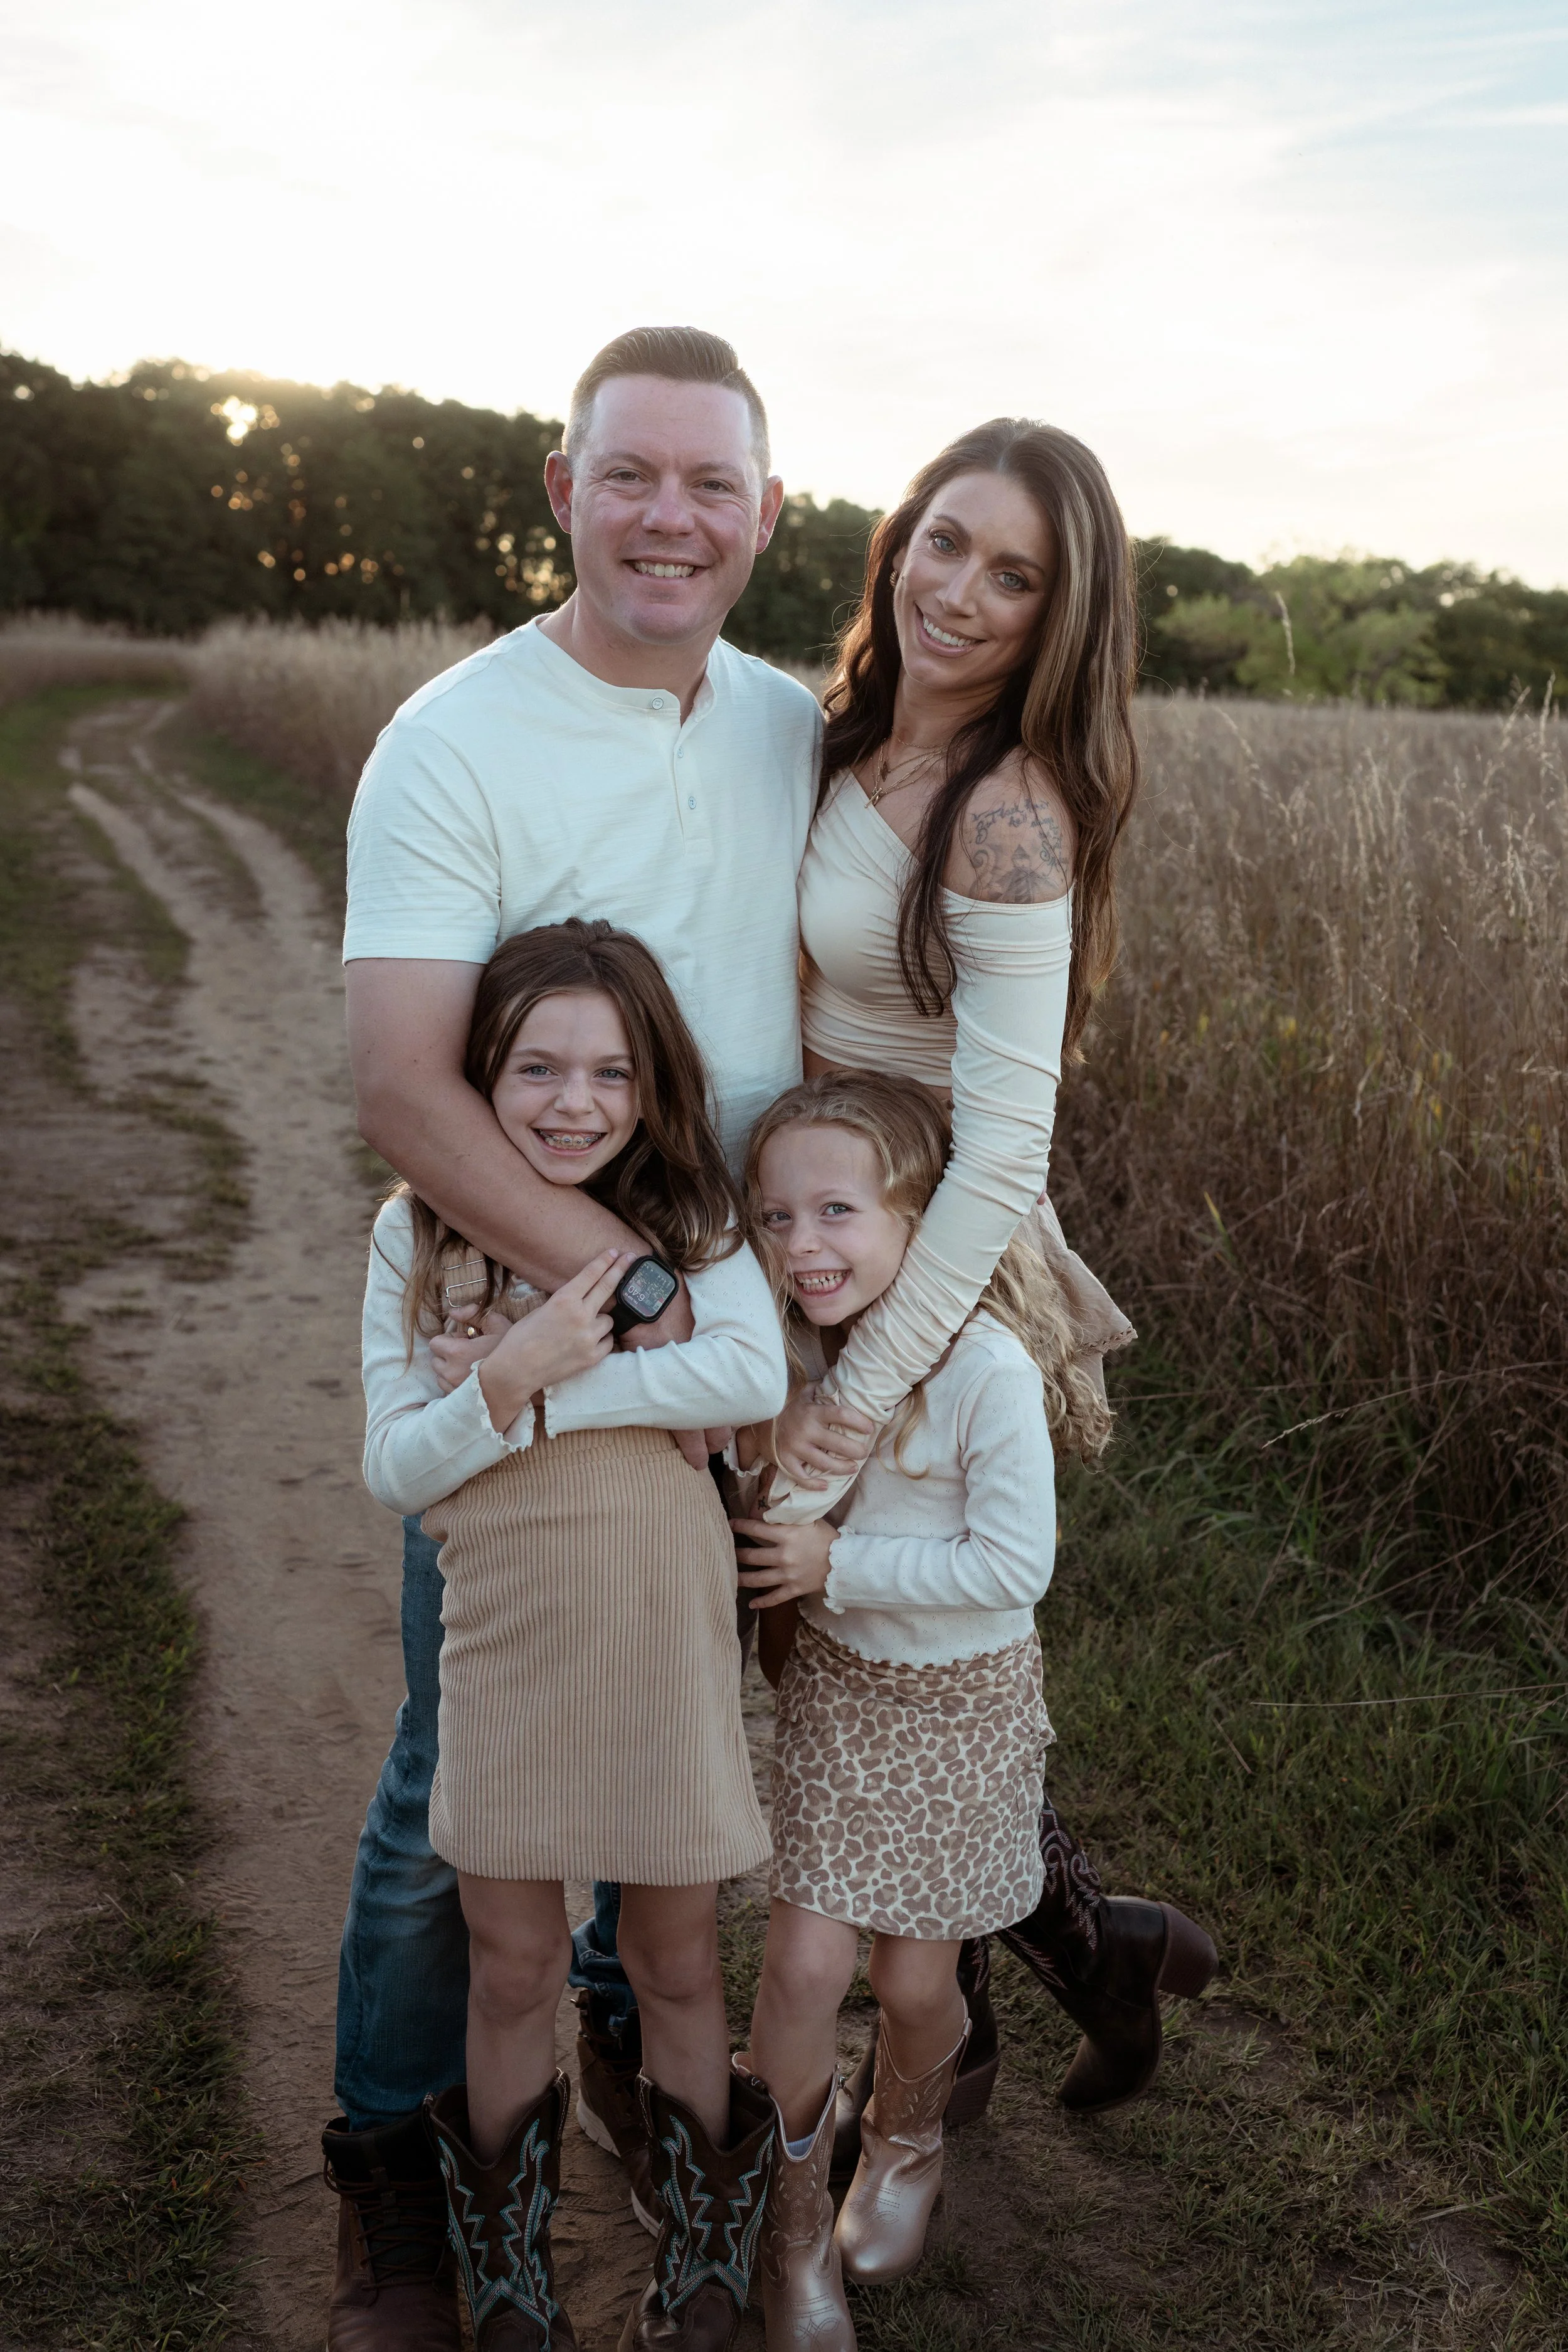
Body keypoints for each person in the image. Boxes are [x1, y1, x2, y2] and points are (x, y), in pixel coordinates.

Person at [324, 326, 818, 2352]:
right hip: (524, 1314)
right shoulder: (453, 740)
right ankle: (393, 2178)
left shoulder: (793, 726)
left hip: (735, 1309)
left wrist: (780, 1299)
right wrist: (619, 1299)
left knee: (685, 1769)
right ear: (562, 485)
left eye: (713, 485)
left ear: (768, 518)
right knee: (468, 1774)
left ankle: (648, 2095)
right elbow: (404, 1087)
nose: (670, 518)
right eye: (635, 475)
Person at [751, 418, 1216, 2175]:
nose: (958, 591)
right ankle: (1085, 1956)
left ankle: (973, 2021)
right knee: (852, 1659)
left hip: (926, 1267)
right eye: (943, 541)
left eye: (1011, 574)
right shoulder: (843, 736)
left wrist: (861, 1388)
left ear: (1056, 614)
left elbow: (1005, 1150)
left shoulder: (1010, 815)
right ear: (896, 539)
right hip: (824, 1226)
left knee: (888, 1652)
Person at [359, 919, 786, 2351]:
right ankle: (507, 2276)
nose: (571, 1102)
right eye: (534, 1066)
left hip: (661, 1633)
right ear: (480, 1074)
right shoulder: (412, 1226)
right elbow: (391, 1469)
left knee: (672, 1957)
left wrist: (534, 1388)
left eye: (609, 1070)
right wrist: (507, 1387)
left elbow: (745, 1370)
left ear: (650, 1083)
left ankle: (712, 2270)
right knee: (512, 1964)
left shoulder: (693, 1221)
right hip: (505, 1639)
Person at [729, 1071, 1108, 2347]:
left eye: (835, 1211)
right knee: (801, 1965)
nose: (802, 1245)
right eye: (776, 1219)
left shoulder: (982, 1369)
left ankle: (901, 2139)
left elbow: (1014, 1568)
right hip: (842, 1694)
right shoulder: (793, 1352)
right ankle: (789, 2247)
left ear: (917, 1222)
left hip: (963, 1703)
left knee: (909, 1980)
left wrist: (838, 1567)